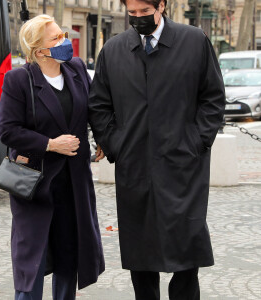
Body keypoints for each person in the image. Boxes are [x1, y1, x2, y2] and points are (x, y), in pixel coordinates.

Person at [88, 0, 225, 299]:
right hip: (134, 166)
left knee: (186, 250)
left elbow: (213, 98)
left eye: (144, 12)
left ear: (161, 5)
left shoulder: (194, 41)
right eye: (132, 13)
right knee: (141, 252)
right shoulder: (113, 50)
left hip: (183, 166)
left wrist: (197, 141)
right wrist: (116, 145)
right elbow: (98, 104)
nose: (137, 18)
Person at [0, 15, 105, 300]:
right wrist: (49, 144)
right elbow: (8, 131)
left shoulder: (77, 69)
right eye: (56, 38)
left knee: (68, 257)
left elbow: (92, 108)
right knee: (31, 260)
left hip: (74, 182)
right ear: (38, 50)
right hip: (34, 184)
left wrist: (102, 138)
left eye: (63, 34)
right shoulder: (18, 79)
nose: (65, 42)